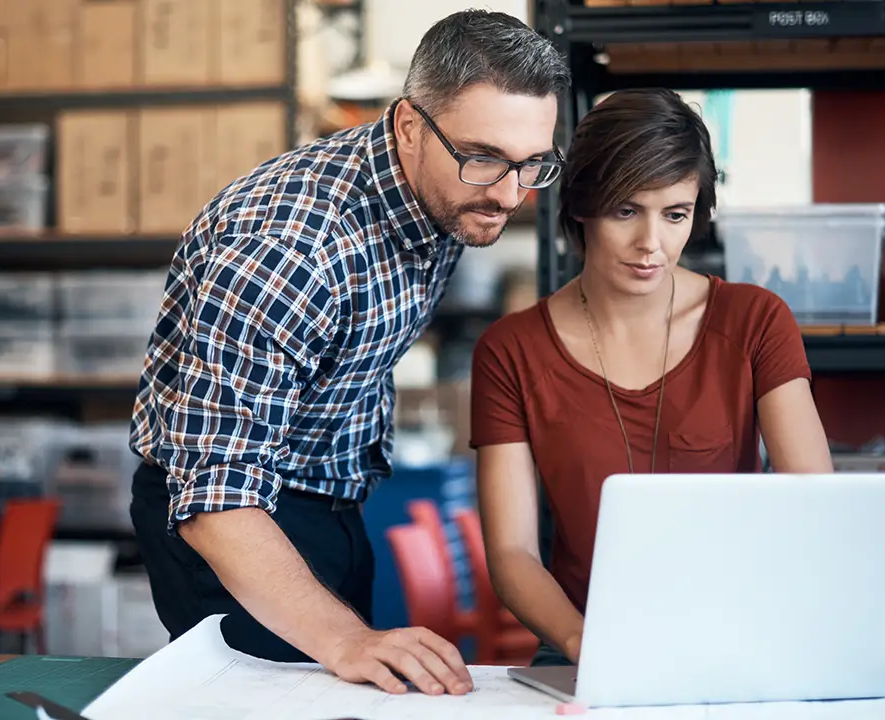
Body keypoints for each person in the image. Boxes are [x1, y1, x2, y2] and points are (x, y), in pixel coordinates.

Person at [127, 9, 570, 698]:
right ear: (409, 127)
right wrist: (346, 638)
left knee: (351, 696)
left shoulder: (451, 190)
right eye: (484, 158)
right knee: (275, 704)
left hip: (333, 495)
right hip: (234, 518)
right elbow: (216, 493)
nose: (510, 194)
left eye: (531, 164)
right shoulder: (290, 249)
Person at [469, 88, 834, 668]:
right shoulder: (511, 352)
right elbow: (513, 552)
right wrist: (581, 641)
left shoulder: (755, 322)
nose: (651, 245)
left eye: (675, 215)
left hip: (738, 639)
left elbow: (816, 508)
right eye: (625, 211)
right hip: (582, 646)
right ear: (582, 207)